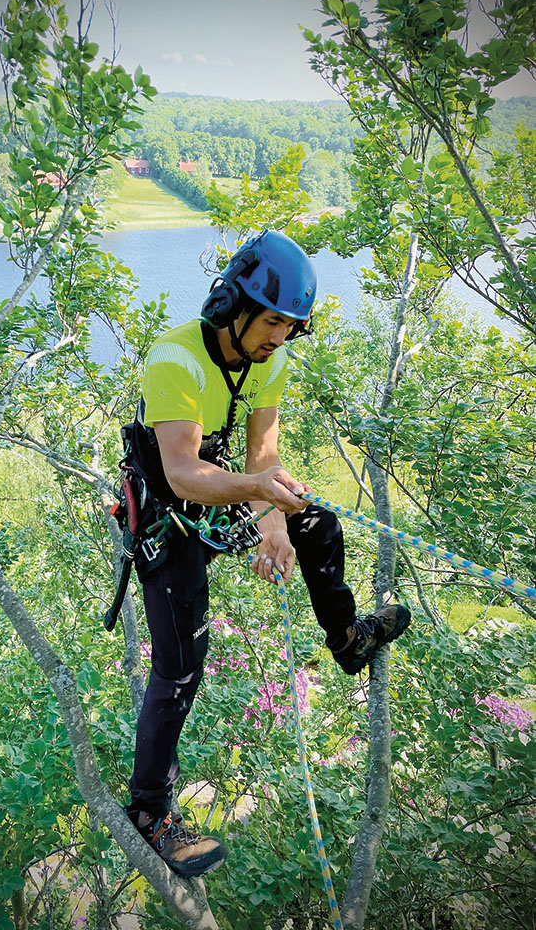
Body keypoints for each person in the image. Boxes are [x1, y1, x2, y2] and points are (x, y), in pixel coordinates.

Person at [119, 230, 411, 877]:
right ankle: (150, 811)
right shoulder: (177, 359)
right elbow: (180, 473)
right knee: (180, 665)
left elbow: (263, 458)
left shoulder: (267, 361)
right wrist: (256, 493)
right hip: (168, 515)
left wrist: (274, 519)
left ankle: (348, 639)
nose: (280, 336)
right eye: (272, 320)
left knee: (317, 525)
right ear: (234, 306)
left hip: (220, 489)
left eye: (290, 325)